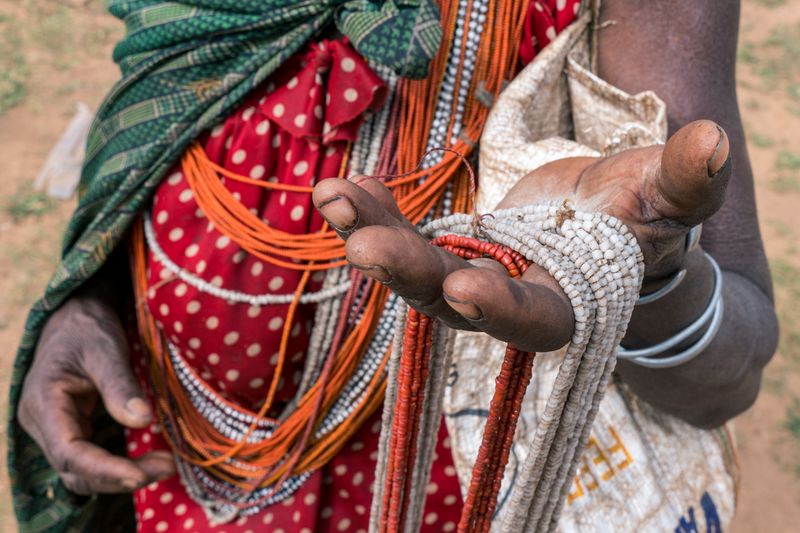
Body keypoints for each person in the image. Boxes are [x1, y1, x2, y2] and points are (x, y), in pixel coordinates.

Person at [8, 0, 778, 531]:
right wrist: (93, 298)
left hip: (458, 498)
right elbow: (155, 117)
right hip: (182, 462)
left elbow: (731, 367)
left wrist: (629, 263)